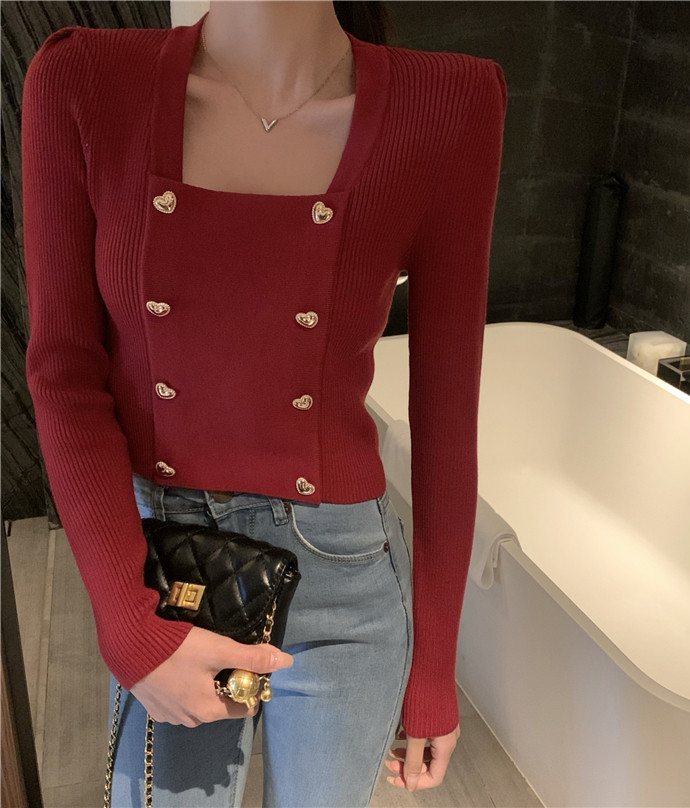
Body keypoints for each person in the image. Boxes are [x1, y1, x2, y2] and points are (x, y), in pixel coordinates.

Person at [20, 1, 507, 805]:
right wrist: (130, 627)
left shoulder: (449, 103)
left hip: (344, 577)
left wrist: (434, 671)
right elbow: (65, 372)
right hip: (169, 573)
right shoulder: (83, 78)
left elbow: (447, 418)